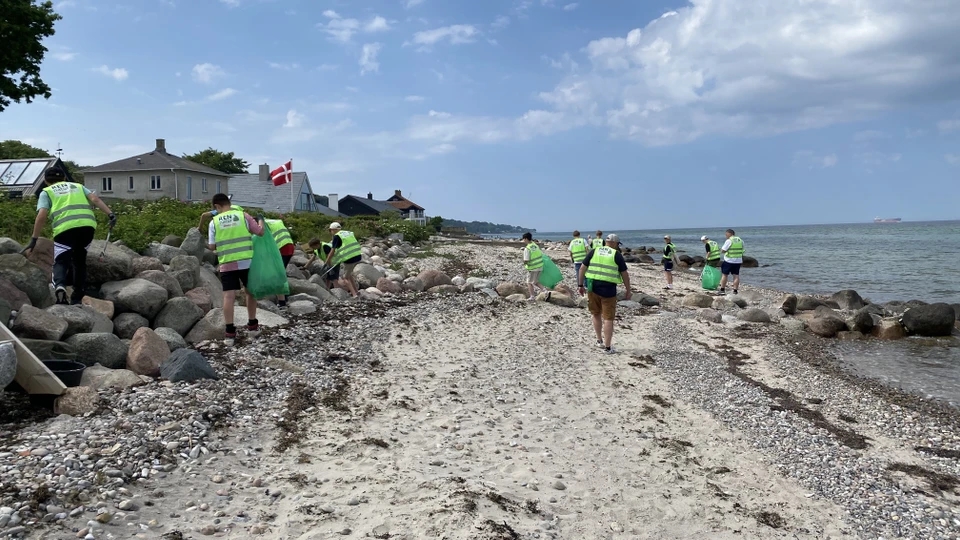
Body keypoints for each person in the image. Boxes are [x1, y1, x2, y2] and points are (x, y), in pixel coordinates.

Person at [22, 167, 116, 305]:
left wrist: (34, 239)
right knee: (79, 261)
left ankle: (60, 286)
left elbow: (42, 215)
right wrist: (110, 214)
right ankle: (77, 298)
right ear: (64, 178)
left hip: (64, 229)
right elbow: (95, 199)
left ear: (46, 181)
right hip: (87, 226)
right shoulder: (78, 186)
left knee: (61, 261)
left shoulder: (47, 192)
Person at [206, 193, 265, 346]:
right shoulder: (243, 215)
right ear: (229, 203)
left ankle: (230, 334)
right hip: (246, 262)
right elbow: (260, 232)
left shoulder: (214, 222)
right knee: (250, 292)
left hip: (227, 263)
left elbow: (211, 246)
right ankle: (252, 327)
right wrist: (261, 220)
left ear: (217, 206)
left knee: (228, 297)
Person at [578, 234, 631, 353]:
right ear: (615, 243)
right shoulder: (616, 254)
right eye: (617, 244)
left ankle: (599, 340)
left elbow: (582, 268)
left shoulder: (594, 251)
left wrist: (580, 285)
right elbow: (624, 274)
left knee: (595, 314)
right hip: (609, 290)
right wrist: (628, 290)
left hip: (593, 287)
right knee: (608, 318)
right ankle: (607, 347)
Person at [323, 222, 360, 298]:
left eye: (330, 230)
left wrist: (327, 261)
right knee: (349, 274)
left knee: (345, 278)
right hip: (358, 255)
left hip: (349, 258)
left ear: (334, 229)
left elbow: (332, 251)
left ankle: (354, 295)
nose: (330, 232)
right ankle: (356, 291)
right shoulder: (348, 233)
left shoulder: (337, 236)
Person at [265, 218, 294, 311]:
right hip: (289, 245)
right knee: (281, 273)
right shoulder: (272, 222)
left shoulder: (262, 224)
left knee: (277, 275)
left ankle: (282, 303)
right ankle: (285, 297)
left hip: (281, 247)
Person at [521, 232, 551, 301]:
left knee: (529, 282)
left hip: (533, 268)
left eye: (523, 239)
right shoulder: (535, 245)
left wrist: (524, 263)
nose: (523, 241)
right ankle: (546, 291)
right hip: (540, 266)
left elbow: (526, 260)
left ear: (526, 239)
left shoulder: (527, 248)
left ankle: (532, 296)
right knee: (535, 281)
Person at [719, 229, 744, 295]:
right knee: (736, 275)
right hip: (738, 261)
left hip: (729, 260)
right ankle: (735, 291)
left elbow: (723, 250)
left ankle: (722, 290)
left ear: (730, 234)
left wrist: (721, 250)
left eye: (726, 234)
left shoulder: (729, 240)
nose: (726, 236)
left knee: (724, 275)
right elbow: (742, 249)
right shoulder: (741, 240)